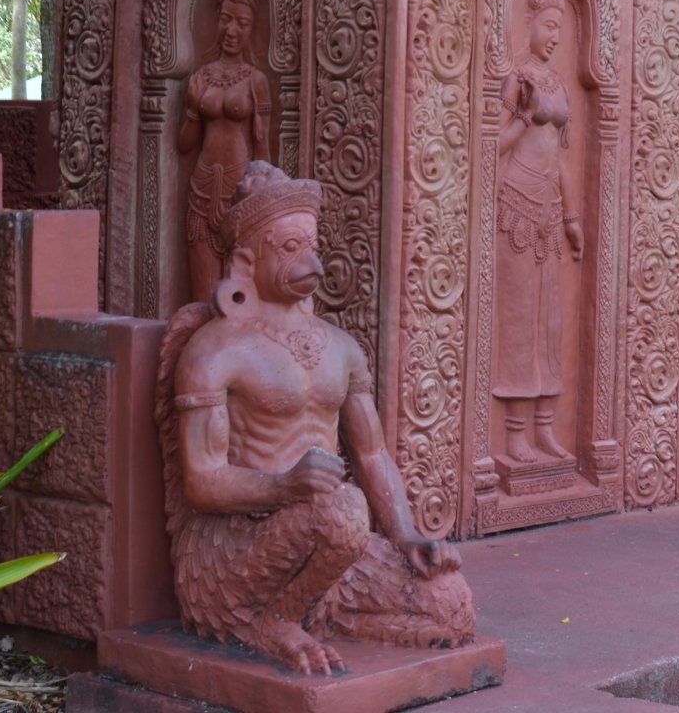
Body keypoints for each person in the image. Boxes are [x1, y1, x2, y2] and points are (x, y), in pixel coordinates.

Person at [156, 163, 476, 675]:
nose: (312, 262)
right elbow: (202, 482)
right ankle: (274, 621)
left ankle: (319, 615)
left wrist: (406, 533)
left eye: (311, 245)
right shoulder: (213, 351)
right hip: (241, 550)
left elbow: (370, 453)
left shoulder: (341, 349)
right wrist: (284, 486)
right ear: (244, 263)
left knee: (451, 604)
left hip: (330, 545)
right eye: (288, 249)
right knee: (344, 510)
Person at [493, 0, 582, 465]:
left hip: (550, 211)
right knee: (520, 321)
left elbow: (566, 160)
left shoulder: (559, 83)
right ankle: (514, 436)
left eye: (559, 30)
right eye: (549, 27)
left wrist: (572, 218)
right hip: (516, 206)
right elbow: (493, 146)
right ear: (529, 24)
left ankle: (546, 427)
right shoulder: (518, 79)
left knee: (550, 324)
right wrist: (523, 118)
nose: (554, 37)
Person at [176, 0, 271, 301]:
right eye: (226, 20)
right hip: (201, 190)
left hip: (240, 192)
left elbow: (263, 152)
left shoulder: (256, 81)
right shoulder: (202, 77)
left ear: (251, 28)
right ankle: (197, 352)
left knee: (239, 295)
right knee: (203, 298)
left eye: (241, 24)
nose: (232, 31)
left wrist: (261, 200)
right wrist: (191, 108)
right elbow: (184, 144)